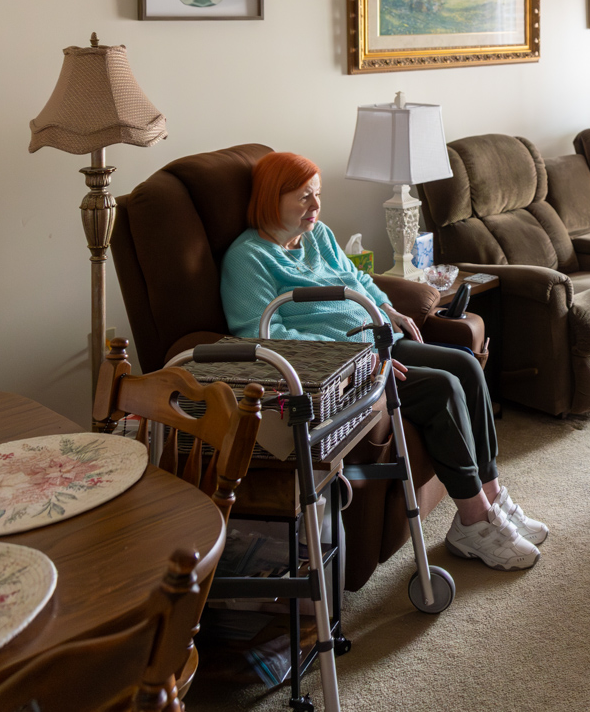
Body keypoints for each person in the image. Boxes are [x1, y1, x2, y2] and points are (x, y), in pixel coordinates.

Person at [221, 152, 546, 571]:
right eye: (304, 198)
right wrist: (358, 360)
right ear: (270, 198)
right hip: (341, 372)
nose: (315, 208)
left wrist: (387, 309)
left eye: (317, 196)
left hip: (378, 343)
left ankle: (493, 493)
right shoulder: (247, 259)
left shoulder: (316, 235)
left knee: (464, 364)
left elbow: (356, 280)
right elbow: (264, 335)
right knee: (439, 387)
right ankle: (474, 519)